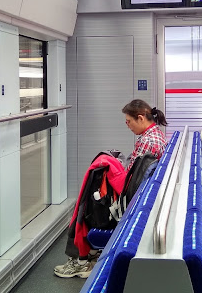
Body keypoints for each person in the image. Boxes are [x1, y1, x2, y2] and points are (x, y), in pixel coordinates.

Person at [53, 100, 168, 279]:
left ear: (140, 118)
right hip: (143, 195)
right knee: (92, 197)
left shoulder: (148, 142)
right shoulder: (155, 135)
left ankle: (81, 261)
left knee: (87, 205)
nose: (127, 125)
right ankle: (87, 255)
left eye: (128, 121)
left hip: (130, 201)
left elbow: (130, 182)